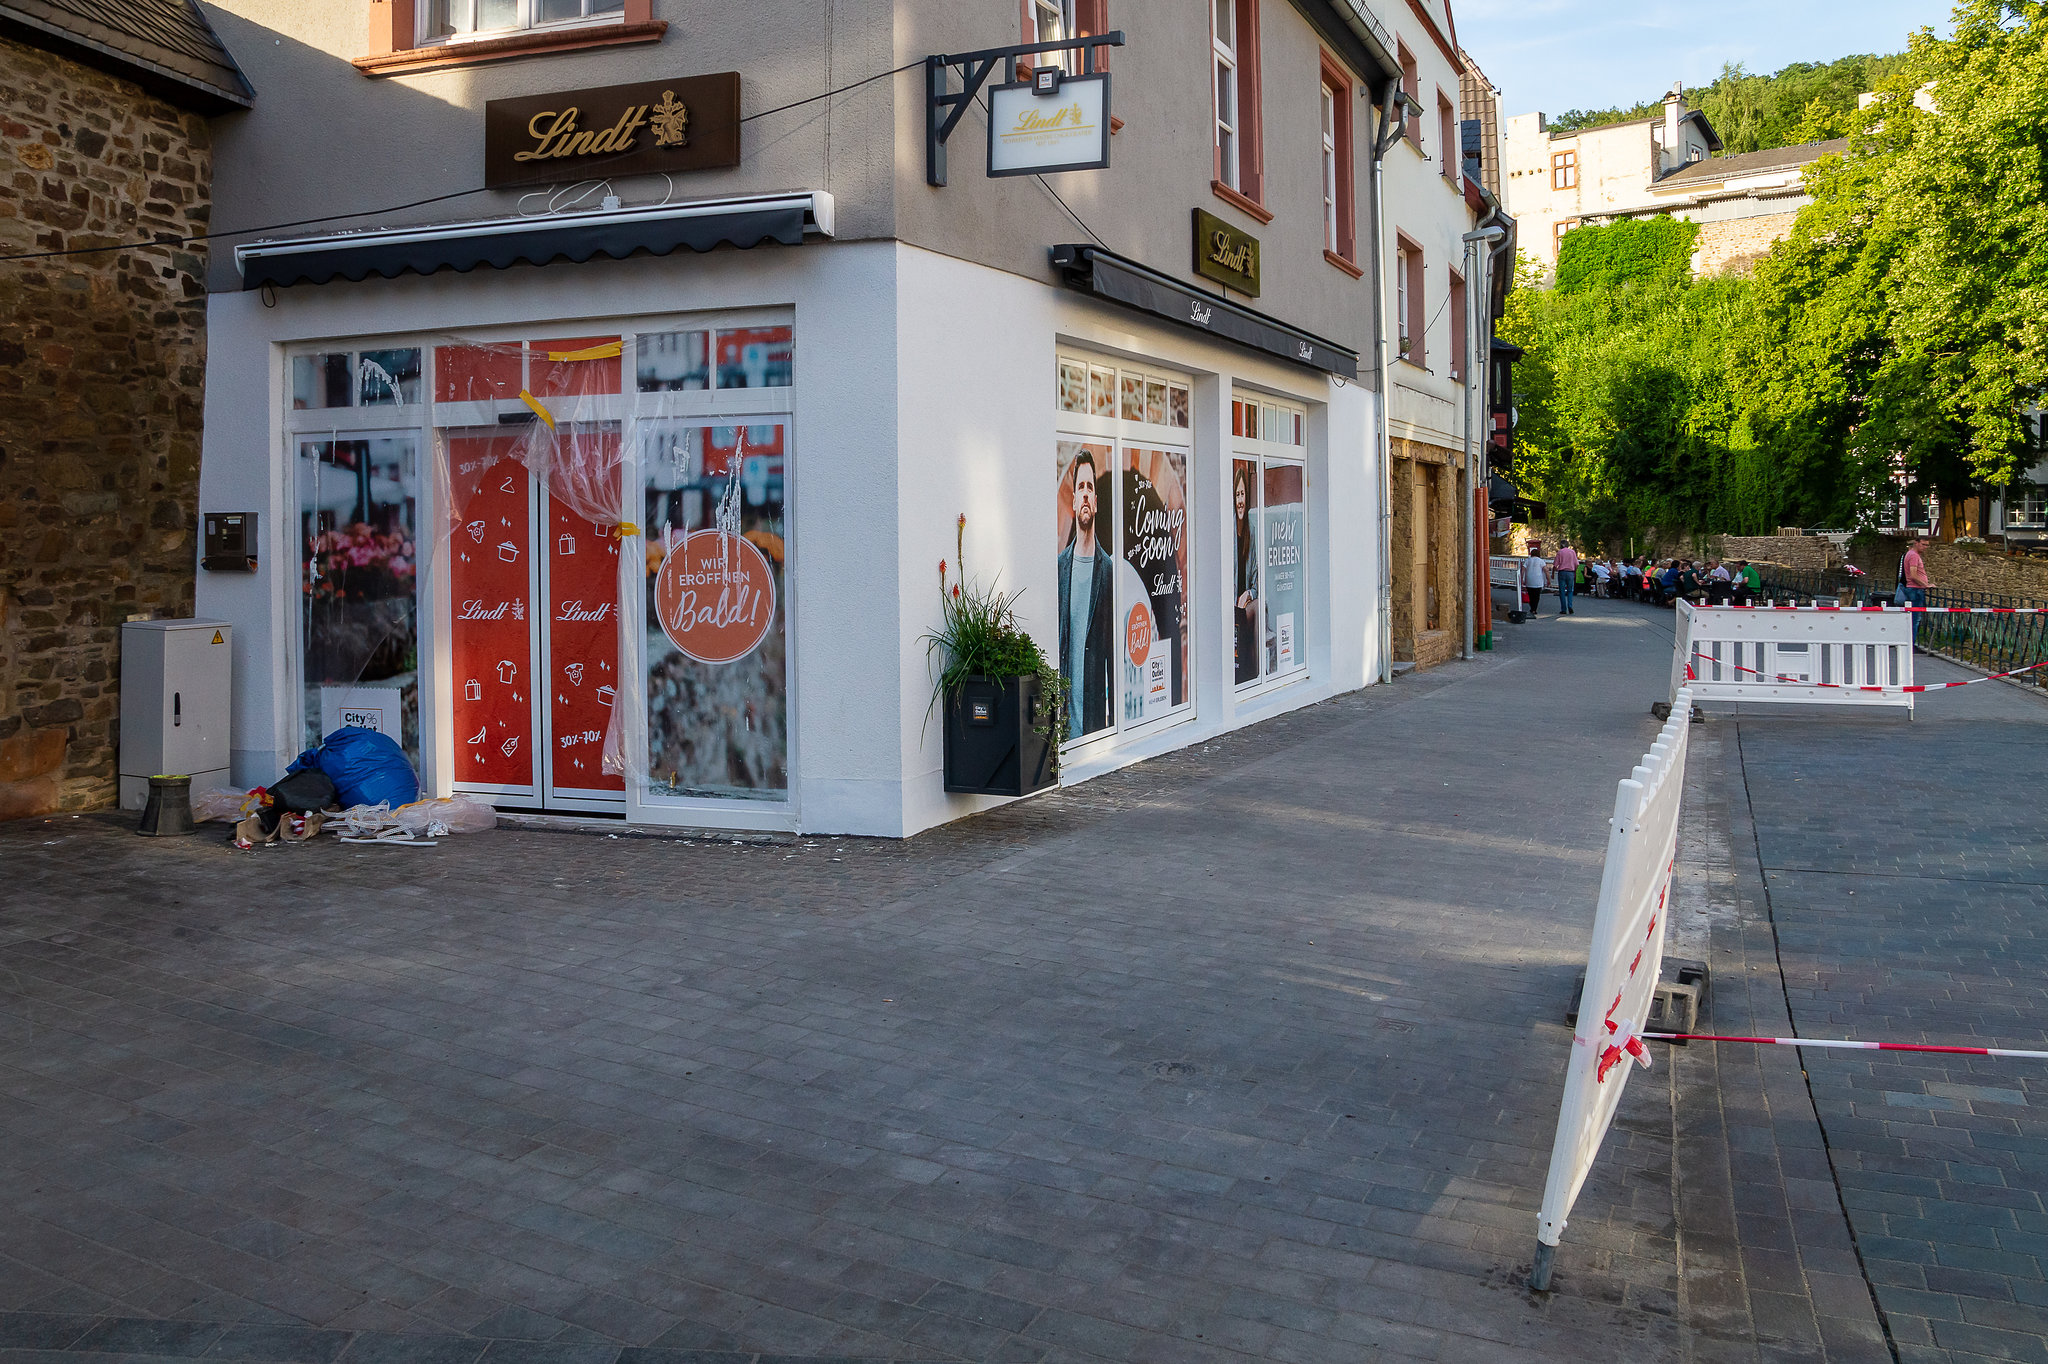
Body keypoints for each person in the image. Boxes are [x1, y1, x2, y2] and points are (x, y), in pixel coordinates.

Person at [1058, 451, 1115, 737]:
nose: (1084, 494)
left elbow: (1114, 654)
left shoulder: (1107, 570)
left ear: (1096, 503)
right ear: (1073, 500)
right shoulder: (1059, 567)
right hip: (1063, 721)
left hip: (1094, 724)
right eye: (1080, 487)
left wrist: (1116, 725)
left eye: (1089, 488)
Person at [1232, 464, 1259, 685]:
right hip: (1232, 603)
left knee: (1252, 613)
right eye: (1237, 494)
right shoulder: (1229, 529)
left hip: (1244, 603)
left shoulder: (1252, 530)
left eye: (1243, 494)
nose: (1240, 500)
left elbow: (1259, 577)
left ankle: (1251, 679)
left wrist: (1249, 593)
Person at [1900, 538, 1930, 640]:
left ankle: (1908, 642)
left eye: (1927, 545)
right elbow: (1913, 575)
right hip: (1915, 589)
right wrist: (1925, 585)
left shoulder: (1910, 554)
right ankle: (1911, 644)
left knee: (1912, 618)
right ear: (1916, 543)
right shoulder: (1913, 555)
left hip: (1913, 588)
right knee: (1914, 619)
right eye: (1923, 544)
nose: (1925, 547)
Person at [1522, 542, 1548, 617]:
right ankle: (1534, 609)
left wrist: (1521, 578)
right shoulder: (1541, 561)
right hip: (1538, 581)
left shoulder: (1528, 560)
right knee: (1536, 596)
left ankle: (1532, 608)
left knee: (1530, 595)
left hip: (1529, 580)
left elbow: (1523, 569)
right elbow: (1546, 570)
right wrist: (1548, 579)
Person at [1553, 541, 1579, 615]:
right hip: (1570, 572)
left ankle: (1563, 609)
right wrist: (1574, 572)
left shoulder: (1560, 552)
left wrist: (1552, 573)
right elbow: (1576, 564)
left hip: (1562, 572)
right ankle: (1570, 606)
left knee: (1562, 591)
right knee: (1570, 590)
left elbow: (1555, 565)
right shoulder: (1572, 552)